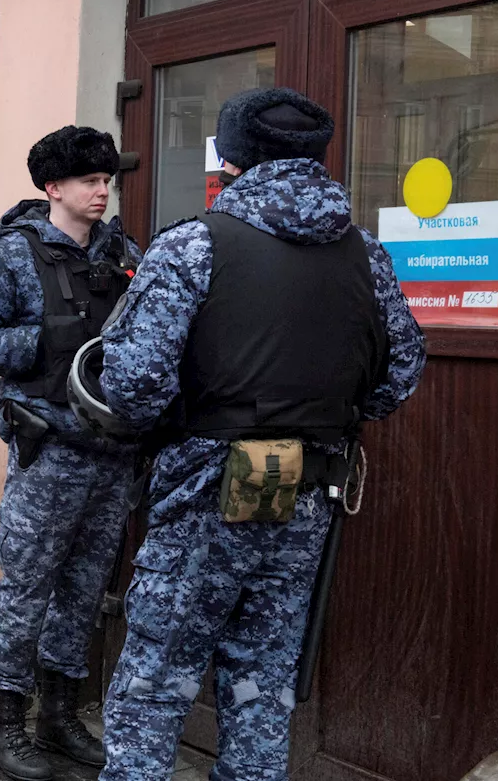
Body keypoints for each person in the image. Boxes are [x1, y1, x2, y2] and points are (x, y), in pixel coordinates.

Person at [83, 88, 427, 780]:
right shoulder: (366, 255)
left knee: (153, 686)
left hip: (203, 493)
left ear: (232, 159)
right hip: (308, 491)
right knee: (262, 686)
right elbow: (400, 377)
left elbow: (134, 386)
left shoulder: (194, 244)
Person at [0, 125, 140, 780]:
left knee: (83, 593)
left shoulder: (122, 255)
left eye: (106, 179)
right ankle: (6, 726)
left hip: (112, 455)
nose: (101, 190)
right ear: (54, 187)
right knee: (26, 590)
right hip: (50, 452)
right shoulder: (11, 256)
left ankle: (58, 716)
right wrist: (42, 340)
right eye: (89, 180)